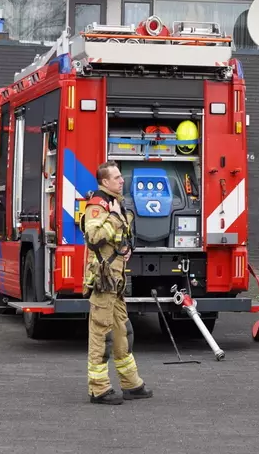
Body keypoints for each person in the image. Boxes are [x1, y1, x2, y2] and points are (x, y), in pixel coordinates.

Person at [81, 161, 152, 405]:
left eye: (121, 176)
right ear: (105, 182)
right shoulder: (99, 206)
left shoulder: (116, 204)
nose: (122, 180)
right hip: (103, 281)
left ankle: (131, 384)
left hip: (116, 282)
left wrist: (127, 248)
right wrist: (112, 216)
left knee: (123, 332)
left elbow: (121, 237)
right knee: (101, 333)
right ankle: (98, 389)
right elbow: (93, 236)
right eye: (117, 177)